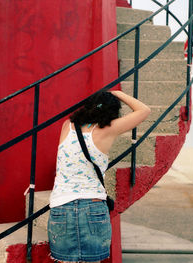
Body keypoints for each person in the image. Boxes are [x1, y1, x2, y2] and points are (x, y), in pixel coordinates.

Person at [48, 90, 150, 263]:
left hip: (61, 206)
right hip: (92, 206)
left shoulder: (67, 126)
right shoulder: (108, 129)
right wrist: (118, 93)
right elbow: (144, 110)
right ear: (112, 112)